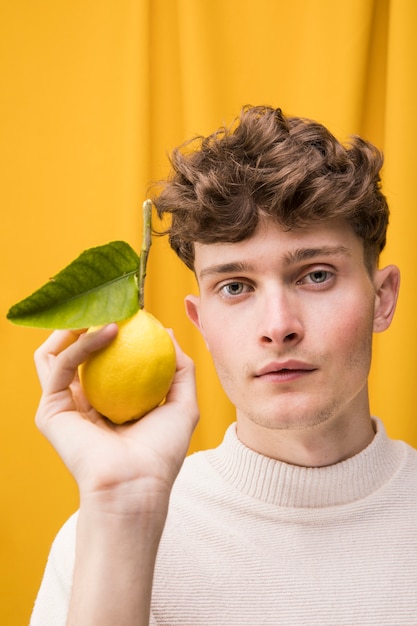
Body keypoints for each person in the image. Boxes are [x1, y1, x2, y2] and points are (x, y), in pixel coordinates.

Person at [30, 106, 417, 626]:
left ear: (383, 298)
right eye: (235, 287)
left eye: (316, 275)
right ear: (201, 323)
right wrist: (122, 512)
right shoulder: (100, 536)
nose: (278, 326)